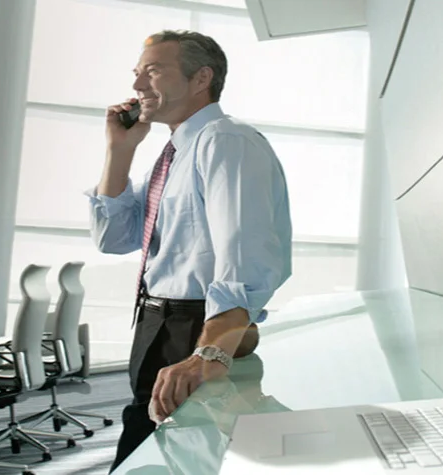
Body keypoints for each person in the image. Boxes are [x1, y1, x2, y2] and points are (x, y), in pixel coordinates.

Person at [85, 30, 292, 470]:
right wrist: (119, 151)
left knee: (184, 457)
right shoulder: (175, 153)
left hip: (196, 325)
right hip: (156, 321)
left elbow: (245, 257)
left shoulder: (225, 142)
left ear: (201, 79)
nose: (138, 86)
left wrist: (209, 351)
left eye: (153, 72)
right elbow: (113, 237)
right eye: (137, 74)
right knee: (152, 446)